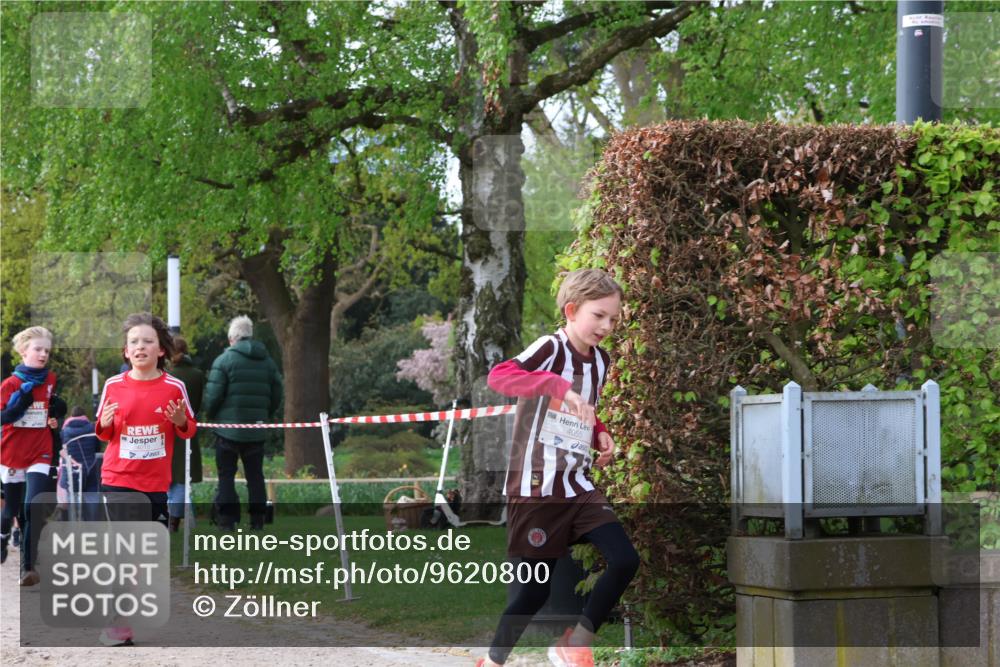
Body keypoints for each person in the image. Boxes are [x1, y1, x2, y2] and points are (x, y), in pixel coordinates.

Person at [477, 269, 640, 667]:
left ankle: (575, 643)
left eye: (614, 318)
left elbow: (586, 410)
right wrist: (554, 386)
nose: (607, 326)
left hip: (577, 485)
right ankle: (493, 661)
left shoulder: (602, 361)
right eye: (599, 315)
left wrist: (601, 434)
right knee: (532, 594)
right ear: (571, 310)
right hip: (536, 488)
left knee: (624, 560)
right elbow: (500, 376)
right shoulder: (551, 349)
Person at [95, 312, 196, 646]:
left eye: (148, 341)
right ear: (126, 352)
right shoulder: (113, 385)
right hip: (118, 478)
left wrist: (181, 420)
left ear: (161, 350)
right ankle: (118, 624)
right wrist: (107, 422)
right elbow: (103, 432)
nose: (140, 347)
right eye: (134, 342)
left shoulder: (174, 387)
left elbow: (188, 430)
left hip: (155, 483)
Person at [203, 315, 282, 531]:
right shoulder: (267, 362)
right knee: (256, 476)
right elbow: (277, 393)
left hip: (228, 430)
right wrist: (265, 413)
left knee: (226, 476)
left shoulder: (224, 361)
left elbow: (213, 396)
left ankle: (227, 521)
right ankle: (257, 521)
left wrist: (211, 415)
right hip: (256, 429)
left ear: (232, 338)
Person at [0, 326, 58, 586]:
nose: (43, 354)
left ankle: (28, 567)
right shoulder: (10, 384)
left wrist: (58, 411)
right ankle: (2, 536)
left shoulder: (51, 379)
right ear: (24, 351)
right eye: (38, 349)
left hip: (40, 451)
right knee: (11, 508)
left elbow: (51, 405)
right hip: (12, 452)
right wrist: (18, 401)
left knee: (32, 507)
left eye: (47, 350)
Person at [166, 336, 205, 532]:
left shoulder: (165, 375)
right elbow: (197, 405)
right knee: (182, 477)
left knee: (166, 476)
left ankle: (166, 518)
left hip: (165, 432)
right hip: (186, 430)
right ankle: (174, 520)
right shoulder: (197, 375)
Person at [59, 406, 102, 521]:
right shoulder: (93, 428)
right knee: (92, 496)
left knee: (72, 497)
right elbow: (97, 449)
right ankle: (93, 524)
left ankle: (74, 525)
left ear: (71, 417)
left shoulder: (64, 432)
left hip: (72, 471)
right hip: (91, 468)